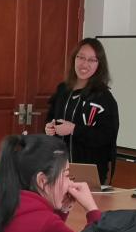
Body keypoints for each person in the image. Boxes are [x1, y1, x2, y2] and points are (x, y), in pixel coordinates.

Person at [44, 38, 120, 185]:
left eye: (92, 60)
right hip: (58, 166)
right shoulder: (62, 90)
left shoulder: (103, 97)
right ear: (74, 59)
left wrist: (74, 129)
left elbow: (106, 136)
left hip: (88, 170)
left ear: (99, 64)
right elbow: (51, 118)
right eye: (81, 57)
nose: (85, 64)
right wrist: (49, 128)